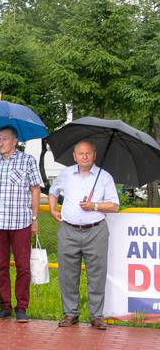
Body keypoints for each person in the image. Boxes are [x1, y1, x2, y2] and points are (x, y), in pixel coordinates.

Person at [48, 140, 119, 330]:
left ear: (94, 155)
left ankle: (96, 316)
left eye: (88, 153)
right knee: (67, 275)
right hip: (68, 231)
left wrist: (94, 205)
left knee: (97, 275)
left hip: (96, 231)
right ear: (74, 156)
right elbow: (53, 191)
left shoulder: (104, 177)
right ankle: (71, 313)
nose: (84, 156)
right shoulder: (66, 174)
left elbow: (114, 206)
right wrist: (53, 209)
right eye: (81, 153)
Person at [0, 125, 41, 323]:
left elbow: (35, 190)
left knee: (23, 266)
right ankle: (4, 306)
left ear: (15, 141)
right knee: (1, 266)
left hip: (21, 221)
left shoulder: (27, 160)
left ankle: (21, 307)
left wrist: (34, 219)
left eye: (5, 138)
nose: (0, 142)